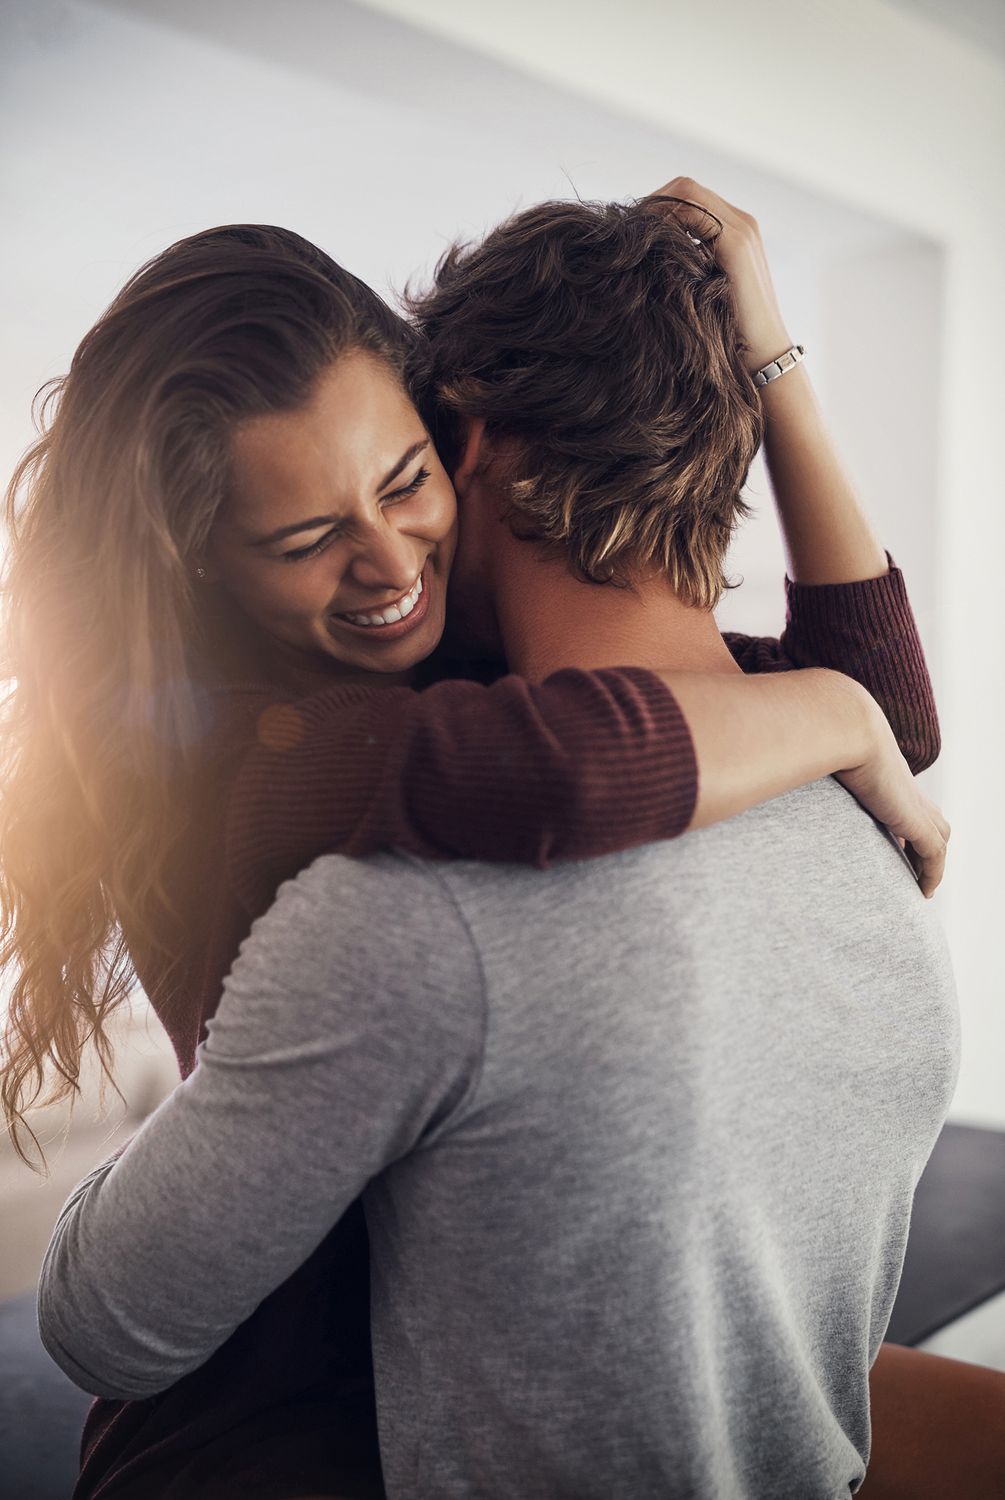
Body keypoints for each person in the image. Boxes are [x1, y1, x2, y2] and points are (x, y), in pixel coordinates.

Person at [32, 187, 988, 1498]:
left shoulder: (439, 663)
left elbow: (891, 701)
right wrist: (828, 715)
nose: (387, 564)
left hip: (442, 1375)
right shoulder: (229, 747)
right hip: (267, 1427)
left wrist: (769, 364)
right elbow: (560, 768)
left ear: (456, 440)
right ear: (203, 564)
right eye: (307, 540)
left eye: (408, 478)